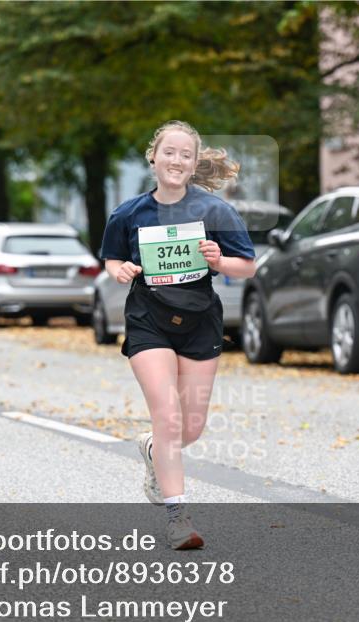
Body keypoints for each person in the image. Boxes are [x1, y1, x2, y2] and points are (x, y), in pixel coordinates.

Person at [100, 121, 256, 549]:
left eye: (185, 155)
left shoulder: (215, 211)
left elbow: (248, 266)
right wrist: (122, 271)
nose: (176, 160)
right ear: (154, 157)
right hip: (149, 319)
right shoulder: (129, 213)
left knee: (191, 427)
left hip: (199, 321)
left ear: (193, 164)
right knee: (167, 416)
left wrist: (221, 261)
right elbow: (112, 258)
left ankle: (153, 449)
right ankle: (177, 516)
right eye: (169, 152)